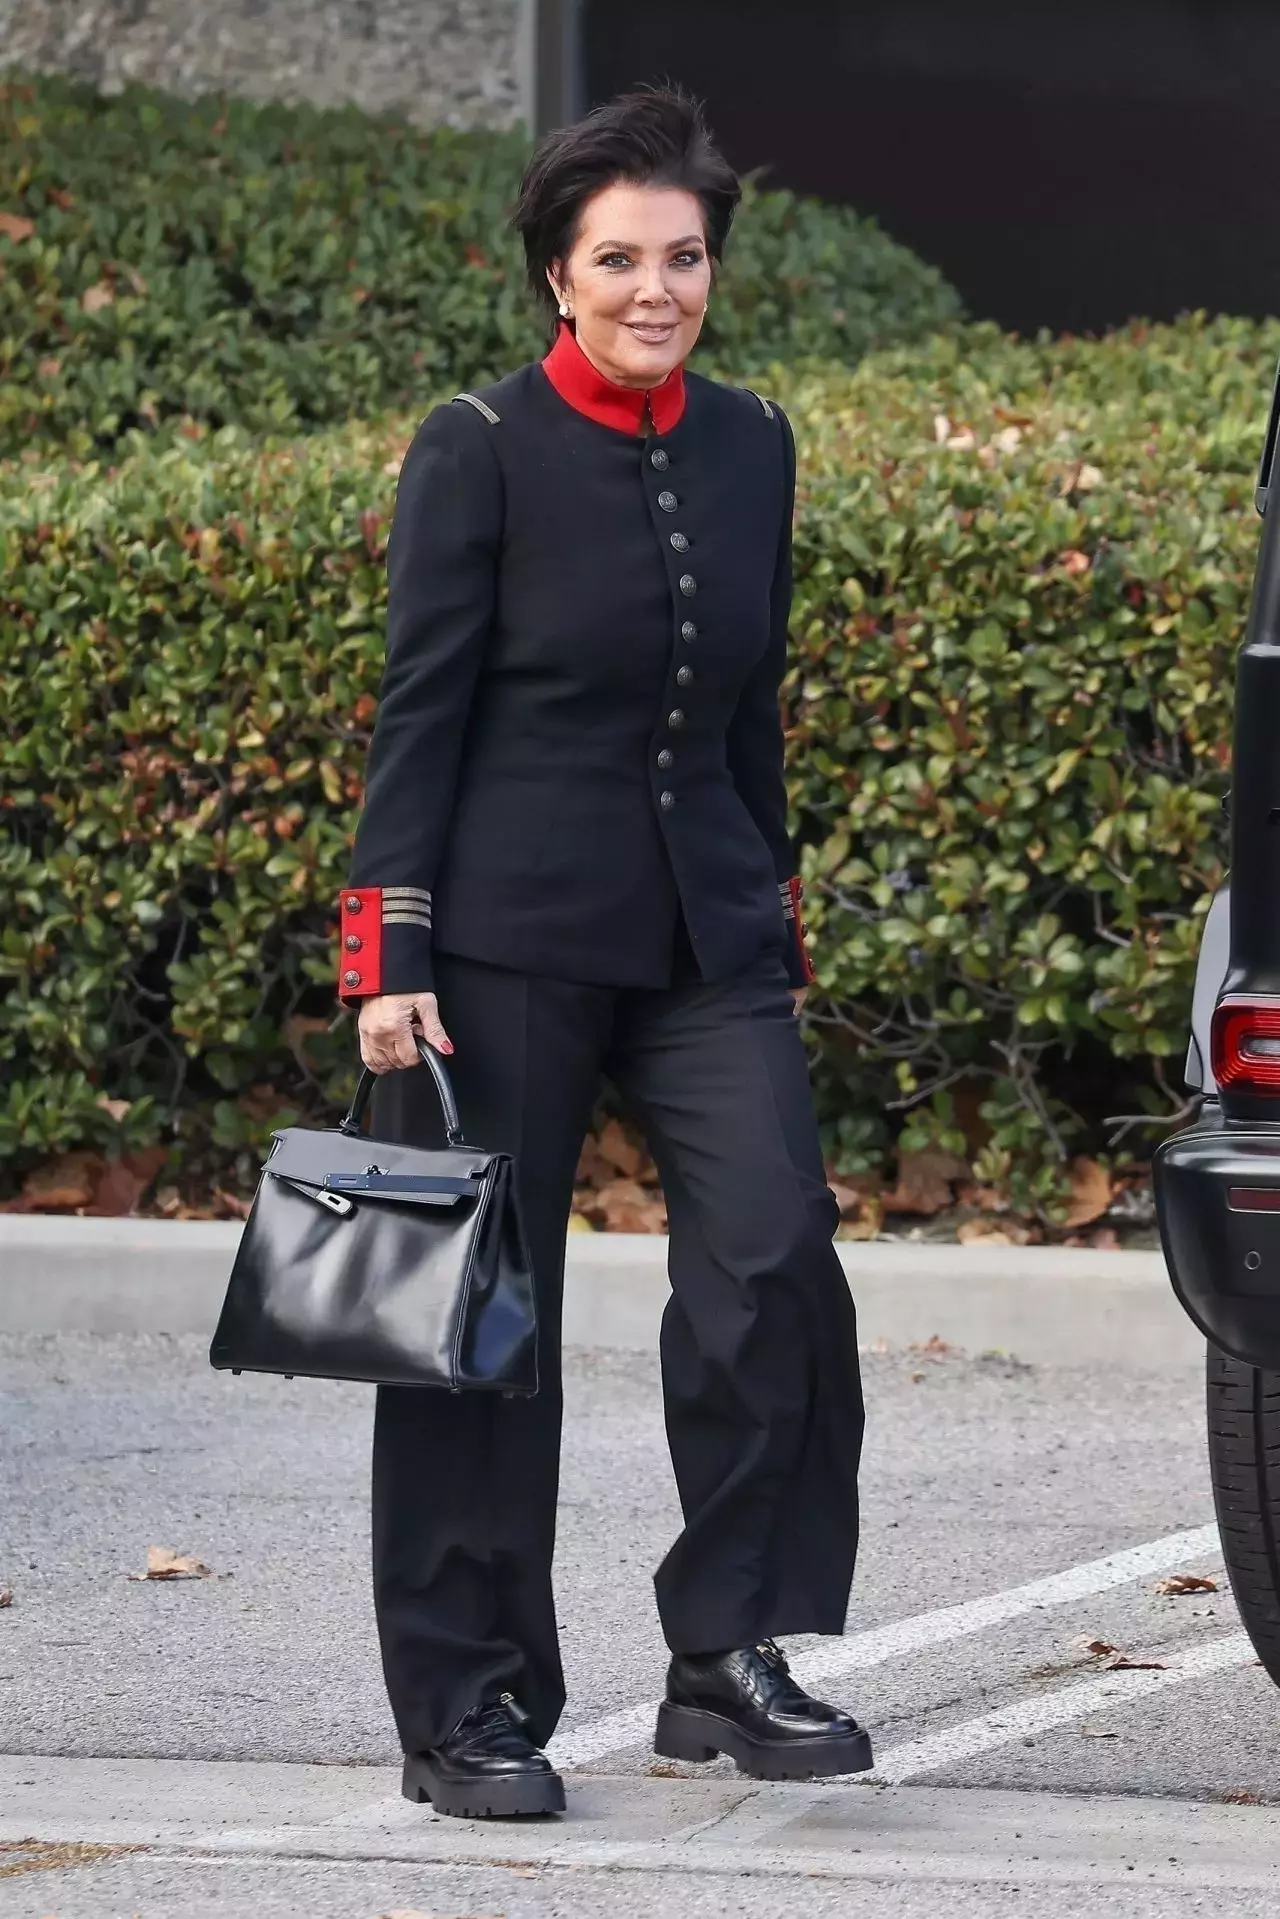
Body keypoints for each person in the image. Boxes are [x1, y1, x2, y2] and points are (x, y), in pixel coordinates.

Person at [338, 86, 870, 1820]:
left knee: (775, 1249)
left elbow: (751, 713)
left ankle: (724, 1652)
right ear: (557, 278)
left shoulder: (755, 440)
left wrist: (771, 906)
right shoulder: (476, 443)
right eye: (620, 259)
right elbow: (418, 714)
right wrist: (387, 944)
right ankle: (469, 1702)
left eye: (686, 256)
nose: (660, 288)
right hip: (500, 937)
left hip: (705, 928)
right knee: (485, 1316)